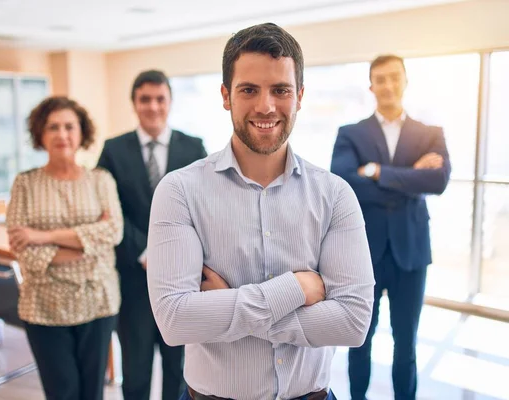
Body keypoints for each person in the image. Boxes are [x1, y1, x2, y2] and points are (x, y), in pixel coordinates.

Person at [146, 23, 375, 400]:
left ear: (299, 96)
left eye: (280, 90)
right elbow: (175, 321)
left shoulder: (335, 195)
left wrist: (229, 305)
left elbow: (352, 323)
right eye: (249, 89)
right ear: (226, 95)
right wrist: (296, 289)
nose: (265, 106)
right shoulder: (179, 191)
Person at [330, 54, 451, 400]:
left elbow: (439, 180)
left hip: (411, 252)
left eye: (394, 78)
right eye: (380, 79)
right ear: (371, 86)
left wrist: (378, 172)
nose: (388, 85)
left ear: (405, 81)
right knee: (360, 339)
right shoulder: (350, 133)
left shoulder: (430, 134)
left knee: (406, 344)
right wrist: (412, 177)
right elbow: (345, 183)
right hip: (365, 251)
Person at [96, 69, 207, 400]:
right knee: (136, 370)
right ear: (134, 103)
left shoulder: (194, 148)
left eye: (160, 99)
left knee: (178, 367)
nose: (153, 106)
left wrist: (173, 257)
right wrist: (146, 253)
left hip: (181, 281)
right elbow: (109, 212)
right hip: (133, 280)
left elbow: (203, 210)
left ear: (170, 102)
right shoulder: (113, 150)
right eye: (145, 99)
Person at [6, 96, 123, 400]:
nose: (62, 134)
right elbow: (24, 251)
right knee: (63, 392)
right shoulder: (25, 184)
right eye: (53, 127)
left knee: (92, 393)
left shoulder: (101, 180)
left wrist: (43, 236)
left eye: (69, 126)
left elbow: (113, 232)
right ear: (40, 135)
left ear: (81, 132)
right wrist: (86, 243)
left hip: (97, 301)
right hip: (44, 308)